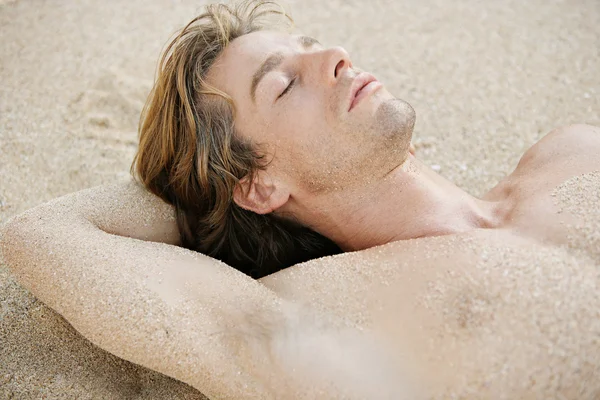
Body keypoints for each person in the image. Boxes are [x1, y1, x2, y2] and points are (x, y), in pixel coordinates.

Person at [2, 0, 599, 398]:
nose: (334, 54)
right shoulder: (321, 312)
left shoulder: (573, 151)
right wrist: (205, 191)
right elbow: (41, 234)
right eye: (284, 84)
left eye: (310, 42)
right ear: (258, 185)